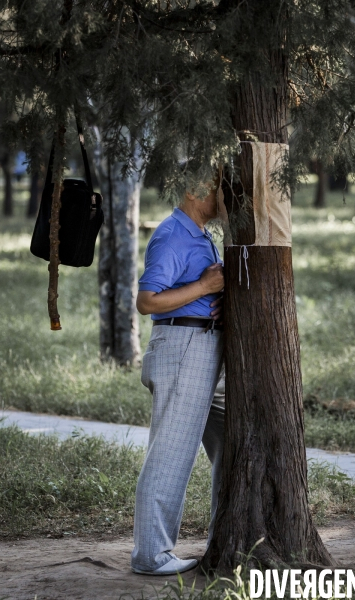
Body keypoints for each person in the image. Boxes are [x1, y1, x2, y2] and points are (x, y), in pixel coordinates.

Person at [131, 179, 226, 576]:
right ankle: (151, 556)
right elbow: (147, 300)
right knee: (170, 454)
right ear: (193, 190)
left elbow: (199, 290)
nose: (225, 194)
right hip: (183, 345)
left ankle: (227, 540)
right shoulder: (172, 234)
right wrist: (203, 288)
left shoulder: (201, 235)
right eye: (218, 186)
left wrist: (212, 301)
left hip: (207, 343)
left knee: (233, 443)